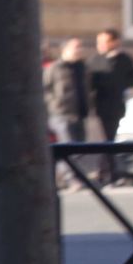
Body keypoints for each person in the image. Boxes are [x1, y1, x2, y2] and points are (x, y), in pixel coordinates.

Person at [91, 28, 133, 185]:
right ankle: (107, 172)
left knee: (109, 138)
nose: (100, 45)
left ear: (115, 42)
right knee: (104, 139)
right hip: (97, 107)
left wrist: (119, 84)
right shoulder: (95, 60)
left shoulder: (123, 59)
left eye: (104, 42)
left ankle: (107, 172)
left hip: (116, 106)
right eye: (99, 42)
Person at [46, 36, 92, 187]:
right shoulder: (55, 68)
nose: (79, 50)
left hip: (80, 113)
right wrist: (55, 103)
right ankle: (71, 179)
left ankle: (64, 175)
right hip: (61, 114)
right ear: (65, 49)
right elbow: (45, 89)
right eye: (76, 47)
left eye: (81, 47)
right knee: (67, 145)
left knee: (80, 147)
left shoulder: (82, 67)